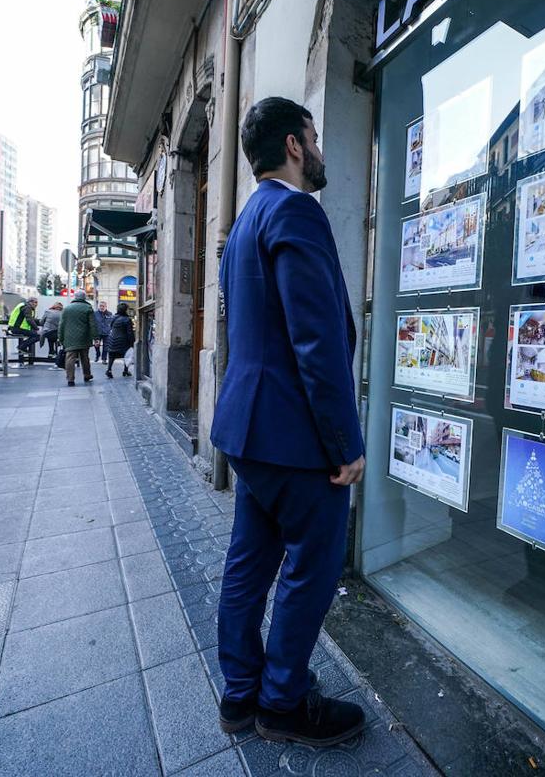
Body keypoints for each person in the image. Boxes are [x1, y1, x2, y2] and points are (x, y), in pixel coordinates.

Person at [210, 97, 365, 746]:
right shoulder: (297, 212)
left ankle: (240, 692)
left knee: (249, 563)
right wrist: (344, 443)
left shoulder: (247, 221)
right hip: (298, 438)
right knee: (312, 567)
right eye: (316, 135)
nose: (321, 148)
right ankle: (282, 702)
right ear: (296, 145)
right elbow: (315, 340)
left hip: (248, 431)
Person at [59, 290, 98, 387]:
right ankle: (87, 375)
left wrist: (60, 338)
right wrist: (96, 338)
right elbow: (93, 325)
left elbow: (61, 325)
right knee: (85, 357)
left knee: (70, 358)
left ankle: (70, 379)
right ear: (84, 297)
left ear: (75, 297)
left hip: (69, 338)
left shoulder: (67, 309)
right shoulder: (88, 308)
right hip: (84, 337)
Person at [105, 303, 136, 378]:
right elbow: (129, 333)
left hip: (112, 339)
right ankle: (125, 370)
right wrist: (132, 342)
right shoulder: (127, 319)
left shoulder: (113, 317)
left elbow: (111, 328)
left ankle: (109, 370)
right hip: (123, 341)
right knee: (127, 355)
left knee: (112, 355)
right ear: (125, 310)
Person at [8, 297, 39, 365]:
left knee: (34, 335)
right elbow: (29, 319)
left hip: (14, 328)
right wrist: (37, 328)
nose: (36, 304)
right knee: (38, 336)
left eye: (36, 302)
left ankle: (22, 347)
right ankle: (21, 347)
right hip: (17, 329)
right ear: (30, 302)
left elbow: (29, 319)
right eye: (34, 302)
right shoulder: (27, 307)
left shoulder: (23, 306)